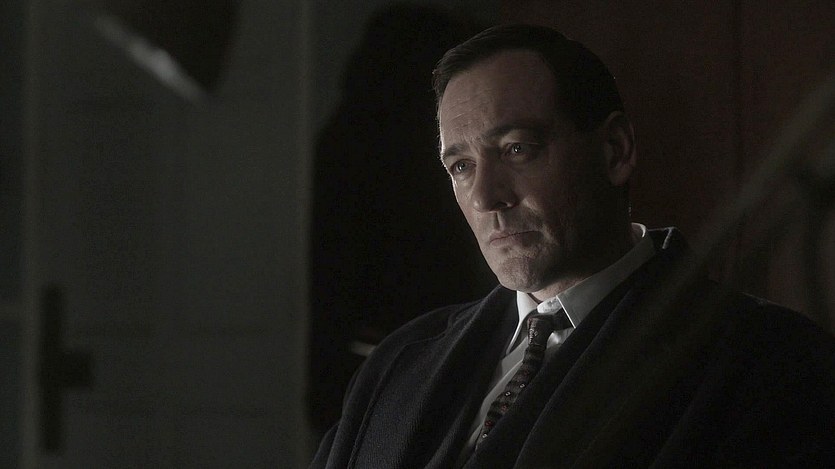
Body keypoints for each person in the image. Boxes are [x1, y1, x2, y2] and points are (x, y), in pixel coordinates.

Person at [310, 24, 835, 468]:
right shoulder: (400, 361)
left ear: (615, 151)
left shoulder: (770, 363)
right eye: (462, 166)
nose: (486, 197)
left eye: (517, 149)